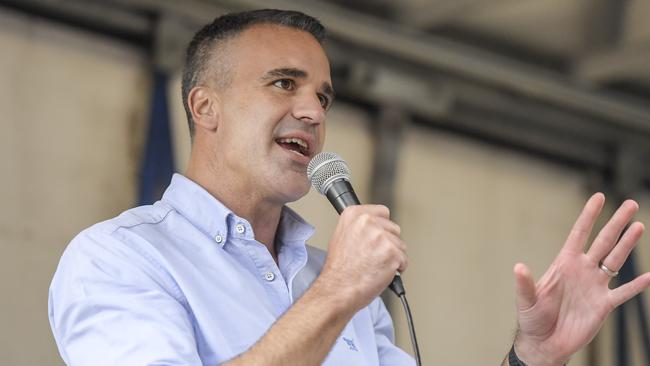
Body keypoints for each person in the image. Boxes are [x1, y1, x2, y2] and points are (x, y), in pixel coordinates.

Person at [47, 9, 650, 366]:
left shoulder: (333, 281)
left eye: (323, 96)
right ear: (206, 106)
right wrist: (337, 293)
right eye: (284, 83)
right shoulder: (119, 258)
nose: (312, 110)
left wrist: (531, 358)